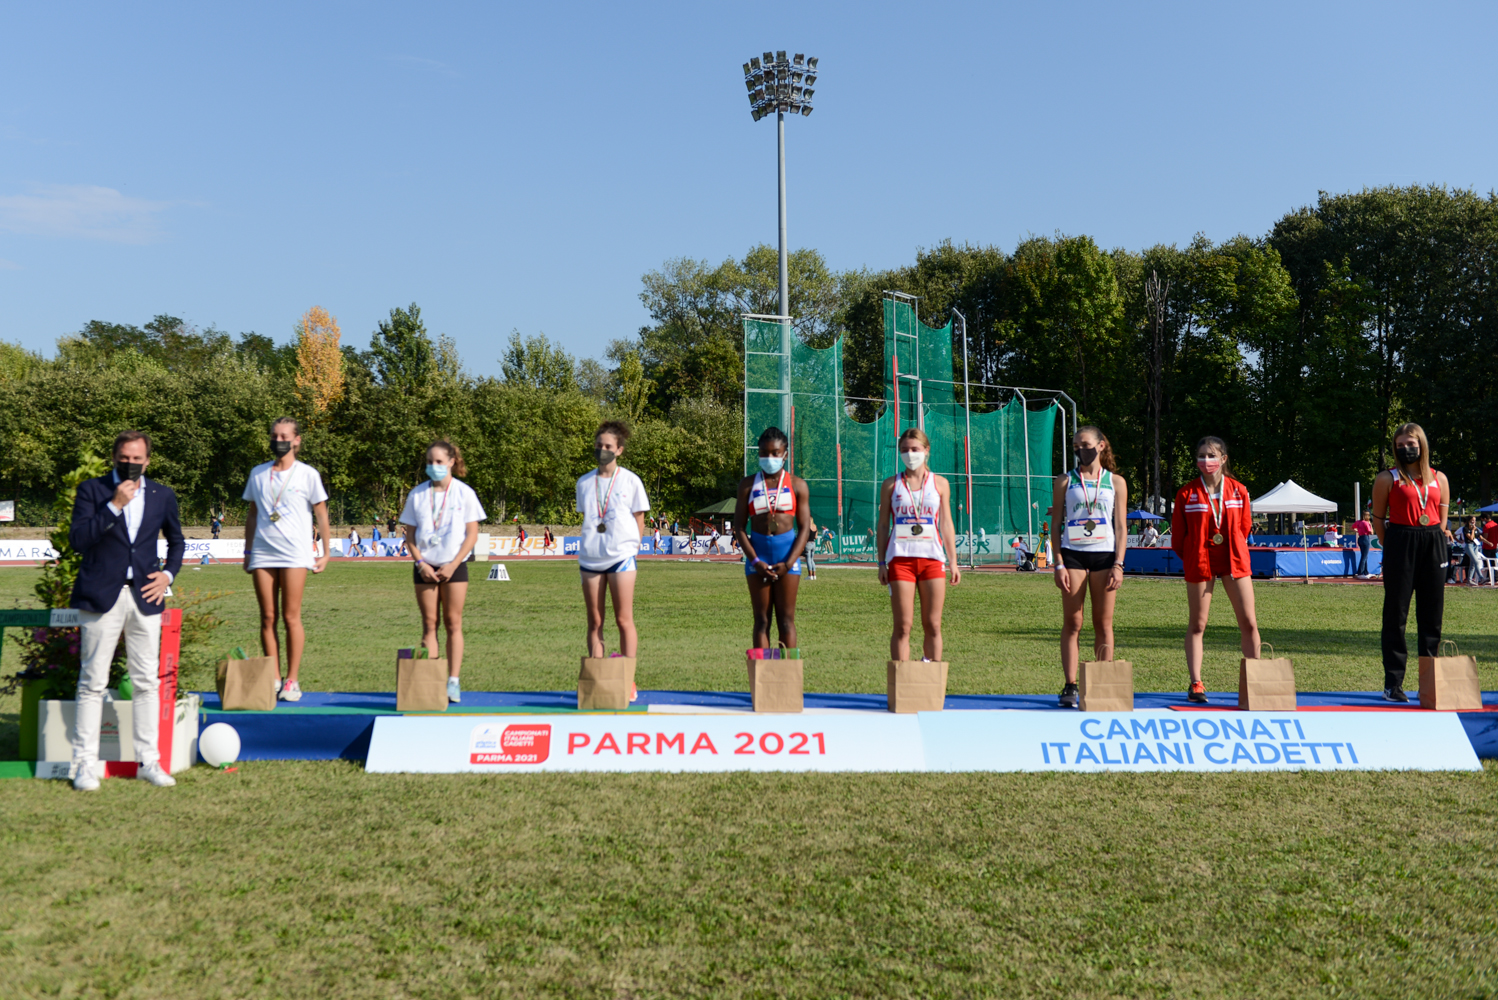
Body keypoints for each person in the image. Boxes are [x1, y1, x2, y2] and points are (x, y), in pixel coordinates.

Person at [67, 430, 186, 791]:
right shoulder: (92, 490)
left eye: (137, 458)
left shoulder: (163, 495)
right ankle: (84, 766)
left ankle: (149, 761)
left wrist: (167, 575)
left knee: (147, 682)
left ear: (147, 461)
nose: (130, 463)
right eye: (124, 457)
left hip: (144, 597)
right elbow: (78, 540)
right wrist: (114, 505)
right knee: (93, 682)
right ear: (114, 457)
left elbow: (177, 541)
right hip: (100, 596)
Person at [243, 417, 332, 702]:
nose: (278, 441)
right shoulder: (258, 473)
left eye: (284, 436)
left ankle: (292, 680)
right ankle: (274, 678)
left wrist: (326, 552)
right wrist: (247, 552)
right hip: (263, 552)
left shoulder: (308, 474)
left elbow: (321, 514)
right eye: (274, 436)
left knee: (290, 616)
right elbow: (252, 515)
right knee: (267, 616)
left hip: (295, 553)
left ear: (296, 440)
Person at [1170, 436, 1261, 704]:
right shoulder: (1186, 493)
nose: (1206, 460)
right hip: (1200, 562)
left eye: (1211, 455)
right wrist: (1194, 556)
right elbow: (1178, 538)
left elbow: (1244, 527)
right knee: (1198, 624)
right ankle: (1196, 683)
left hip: (1234, 561)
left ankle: (1256, 680)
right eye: (1201, 456)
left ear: (1223, 459)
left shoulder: (1239, 490)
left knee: (1249, 621)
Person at [1369, 423, 1453, 701]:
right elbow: (1378, 519)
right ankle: (1393, 684)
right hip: (1400, 541)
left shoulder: (1439, 478)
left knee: (1432, 617)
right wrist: (1393, 545)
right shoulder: (1387, 478)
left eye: (1411, 444)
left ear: (1422, 445)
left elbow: (1442, 520)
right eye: (1400, 445)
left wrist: (1434, 538)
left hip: (1433, 542)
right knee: (1396, 616)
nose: (1406, 449)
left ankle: (1430, 684)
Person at [400, 439, 485, 703]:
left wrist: (454, 563)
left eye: (438, 461)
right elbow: (410, 536)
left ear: (451, 462)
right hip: (424, 567)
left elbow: (472, 534)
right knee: (429, 624)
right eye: (429, 462)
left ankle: (453, 682)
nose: (433, 466)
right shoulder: (417, 495)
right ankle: (432, 681)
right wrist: (421, 564)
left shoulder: (464, 493)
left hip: (454, 566)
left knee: (453, 623)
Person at [1051, 426, 1129, 709]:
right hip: (1073, 555)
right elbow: (1056, 524)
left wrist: (1119, 564)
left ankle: (1103, 682)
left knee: (1103, 623)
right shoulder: (1065, 481)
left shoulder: (1116, 482)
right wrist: (1058, 563)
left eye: (1084, 444)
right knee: (1073, 622)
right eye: (1075, 446)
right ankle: (1070, 684)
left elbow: (1121, 526)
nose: (1080, 450)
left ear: (1100, 445)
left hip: (1104, 556)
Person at [576, 421, 650, 699]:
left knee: (623, 619)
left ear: (619, 450)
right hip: (590, 559)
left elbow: (639, 519)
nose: (602, 450)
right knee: (595, 621)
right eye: (599, 445)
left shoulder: (631, 481)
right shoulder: (584, 482)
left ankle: (628, 680)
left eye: (608, 446)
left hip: (621, 558)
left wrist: (633, 549)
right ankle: (598, 680)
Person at [877, 428, 961, 661]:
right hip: (900, 561)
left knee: (933, 624)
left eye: (915, 449)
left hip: (932, 560)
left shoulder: (940, 483)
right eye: (904, 450)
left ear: (926, 450)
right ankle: (901, 678)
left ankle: (932, 675)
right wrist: (881, 563)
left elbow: (946, 523)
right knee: (903, 626)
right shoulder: (891, 485)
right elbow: (883, 525)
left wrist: (953, 562)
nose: (910, 454)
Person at [733, 428, 813, 649]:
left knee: (786, 622)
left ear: (785, 454)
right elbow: (739, 527)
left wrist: (788, 563)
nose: (769, 458)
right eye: (764, 453)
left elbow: (804, 529)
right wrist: (755, 561)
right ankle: (763, 671)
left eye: (775, 453)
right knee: (761, 622)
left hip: (787, 558)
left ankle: (787, 670)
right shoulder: (747, 485)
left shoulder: (798, 485)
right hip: (757, 558)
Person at [1353, 510, 1374, 577]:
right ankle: (1360, 572)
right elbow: (1371, 532)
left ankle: (1365, 572)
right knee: (1364, 556)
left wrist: (1358, 531)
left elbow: (1352, 527)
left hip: (1360, 538)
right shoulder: (1366, 523)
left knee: (1364, 555)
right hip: (1365, 538)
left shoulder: (1358, 522)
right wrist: (1370, 525)